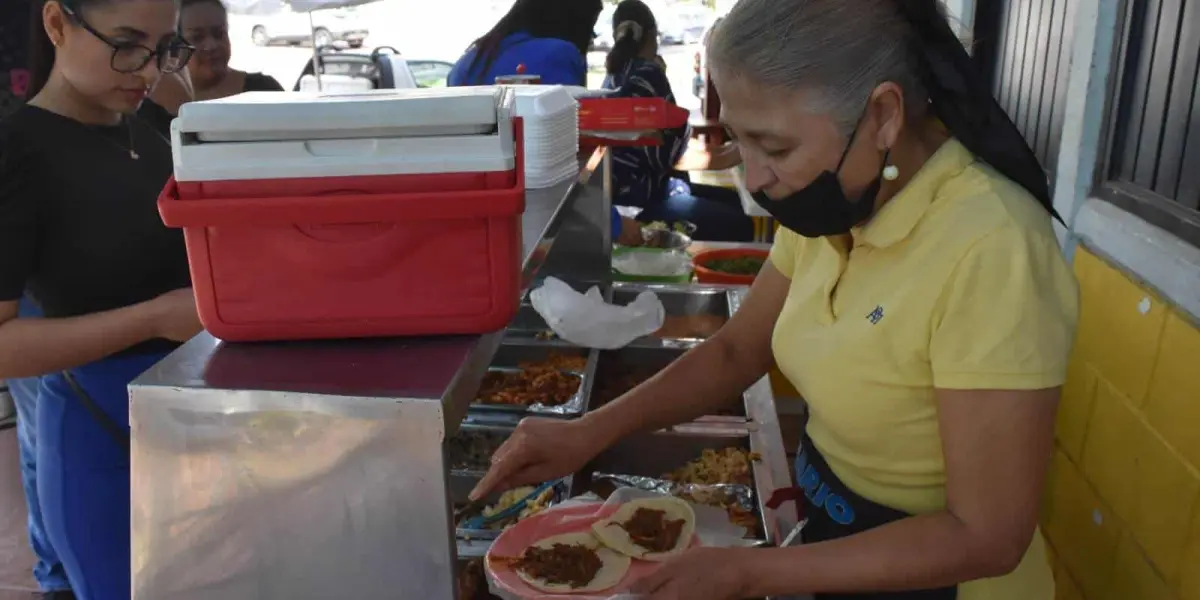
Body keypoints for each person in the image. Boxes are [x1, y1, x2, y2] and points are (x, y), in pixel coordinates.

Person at [470, 0, 1078, 598]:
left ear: (885, 115)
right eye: (740, 140)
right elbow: (737, 350)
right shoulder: (836, 201)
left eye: (776, 148)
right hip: (833, 540)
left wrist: (749, 573)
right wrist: (587, 432)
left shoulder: (994, 246)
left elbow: (988, 537)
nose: (755, 179)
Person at [0, 0, 204, 598]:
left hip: (189, 422)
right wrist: (156, 317)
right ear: (57, 24)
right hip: (103, 436)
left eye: (165, 48)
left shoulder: (146, 128)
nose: (146, 70)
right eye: (126, 43)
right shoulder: (20, 151)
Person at [601, 0, 752, 242]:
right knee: (739, 222)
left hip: (630, 193)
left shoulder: (616, 73)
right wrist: (736, 153)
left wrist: (727, 150)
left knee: (734, 201)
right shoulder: (647, 74)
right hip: (640, 202)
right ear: (652, 36)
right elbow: (673, 157)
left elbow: (669, 141)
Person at [448, 0, 601, 87]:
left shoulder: (469, 60)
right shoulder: (559, 53)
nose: (591, 37)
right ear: (573, 20)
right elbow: (575, 127)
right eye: (590, 26)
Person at [179, 0, 282, 99]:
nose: (211, 45)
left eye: (219, 34)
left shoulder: (265, 91)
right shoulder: (165, 104)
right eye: (197, 37)